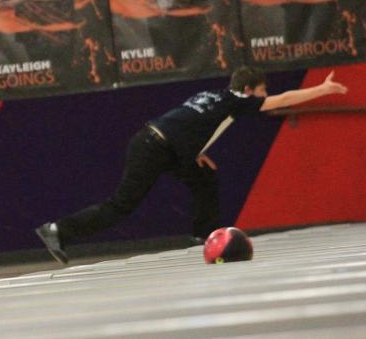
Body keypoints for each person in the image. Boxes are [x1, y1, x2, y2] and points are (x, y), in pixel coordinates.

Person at [35, 66, 348, 264]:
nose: (264, 98)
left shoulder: (214, 95)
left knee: (203, 175)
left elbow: (187, 122)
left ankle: (203, 236)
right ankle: (57, 229)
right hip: (154, 148)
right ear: (250, 90)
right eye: (262, 92)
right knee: (121, 206)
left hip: (155, 141)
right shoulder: (237, 100)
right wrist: (322, 89)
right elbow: (282, 100)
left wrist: (192, 152)